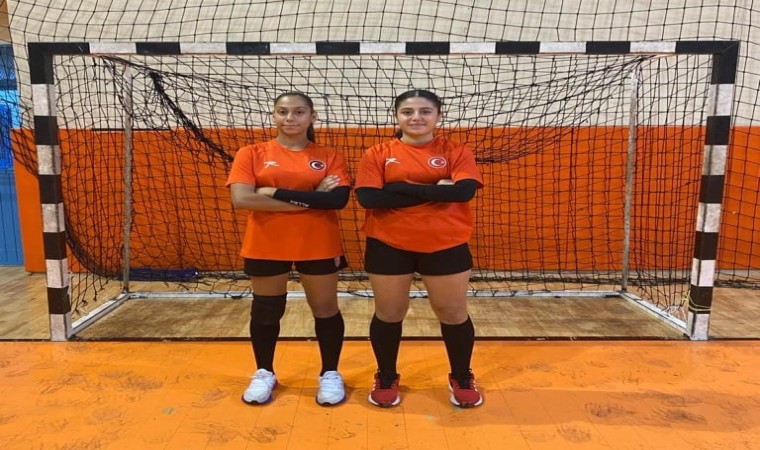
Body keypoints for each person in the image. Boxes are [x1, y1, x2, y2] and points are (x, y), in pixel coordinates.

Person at [355, 89, 484, 408]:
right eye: (408, 111)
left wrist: (397, 189)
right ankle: (386, 375)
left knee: (452, 312)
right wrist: (436, 190)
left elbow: (463, 193)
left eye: (425, 111)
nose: (416, 117)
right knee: (389, 313)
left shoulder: (456, 151)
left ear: (438, 116)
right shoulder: (377, 153)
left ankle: (461, 375)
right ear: (397, 116)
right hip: (387, 243)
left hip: (446, 242)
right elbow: (369, 198)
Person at [226, 92, 350, 406]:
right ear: (274, 115)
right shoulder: (251, 153)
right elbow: (242, 199)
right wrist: (311, 199)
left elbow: (336, 200)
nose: (290, 118)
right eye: (282, 112)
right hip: (265, 243)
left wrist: (274, 193)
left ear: (312, 117)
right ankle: (264, 372)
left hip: (318, 242)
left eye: (298, 112)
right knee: (266, 310)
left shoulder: (330, 155)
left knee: (325, 310)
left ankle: (330, 373)